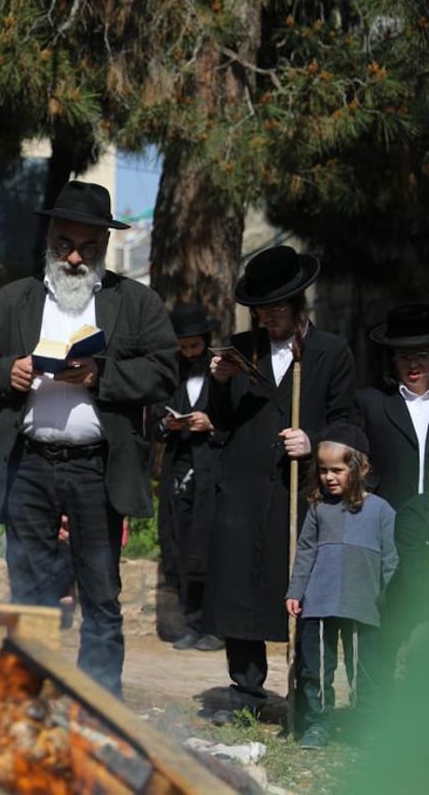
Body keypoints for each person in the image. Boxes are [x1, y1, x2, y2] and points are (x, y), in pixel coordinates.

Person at [0, 181, 178, 696]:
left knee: (101, 591)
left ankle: (97, 704)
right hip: (29, 465)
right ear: (51, 240)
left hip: (97, 467)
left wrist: (102, 377)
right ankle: (24, 697)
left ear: (104, 246)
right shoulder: (10, 301)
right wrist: (6, 373)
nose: (75, 257)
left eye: (88, 247)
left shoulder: (136, 302)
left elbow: (164, 371)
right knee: (29, 591)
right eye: (65, 244)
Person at [204, 245, 357, 719]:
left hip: (301, 492)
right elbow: (219, 420)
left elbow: (348, 421)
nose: (267, 317)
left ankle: (307, 695)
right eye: (261, 309)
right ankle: (246, 694)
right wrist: (223, 382)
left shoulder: (330, 351)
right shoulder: (240, 347)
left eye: (277, 308)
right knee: (240, 592)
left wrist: (314, 442)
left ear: (297, 304)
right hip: (243, 491)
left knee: (300, 592)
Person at [285, 426, 397, 748]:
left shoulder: (381, 511)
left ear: (361, 468)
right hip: (318, 603)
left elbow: (390, 561)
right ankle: (317, 725)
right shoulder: (318, 509)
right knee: (315, 670)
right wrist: (295, 591)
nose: (328, 477)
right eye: (322, 470)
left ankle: (363, 726)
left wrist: (388, 598)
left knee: (365, 672)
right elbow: (305, 551)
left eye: (337, 469)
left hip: (364, 606)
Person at [357, 303, 429, 682]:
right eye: (405, 356)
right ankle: (373, 709)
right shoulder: (372, 403)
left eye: (421, 355)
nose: (413, 364)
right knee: (384, 624)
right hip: (389, 529)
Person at [152, 302, 225, 652]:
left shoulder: (221, 374)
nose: (190, 353)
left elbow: (236, 420)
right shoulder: (170, 374)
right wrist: (168, 423)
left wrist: (210, 424)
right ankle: (190, 621)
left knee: (209, 546)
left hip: (212, 470)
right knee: (179, 544)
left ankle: (213, 624)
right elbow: (153, 416)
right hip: (178, 467)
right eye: (184, 347)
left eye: (195, 346)